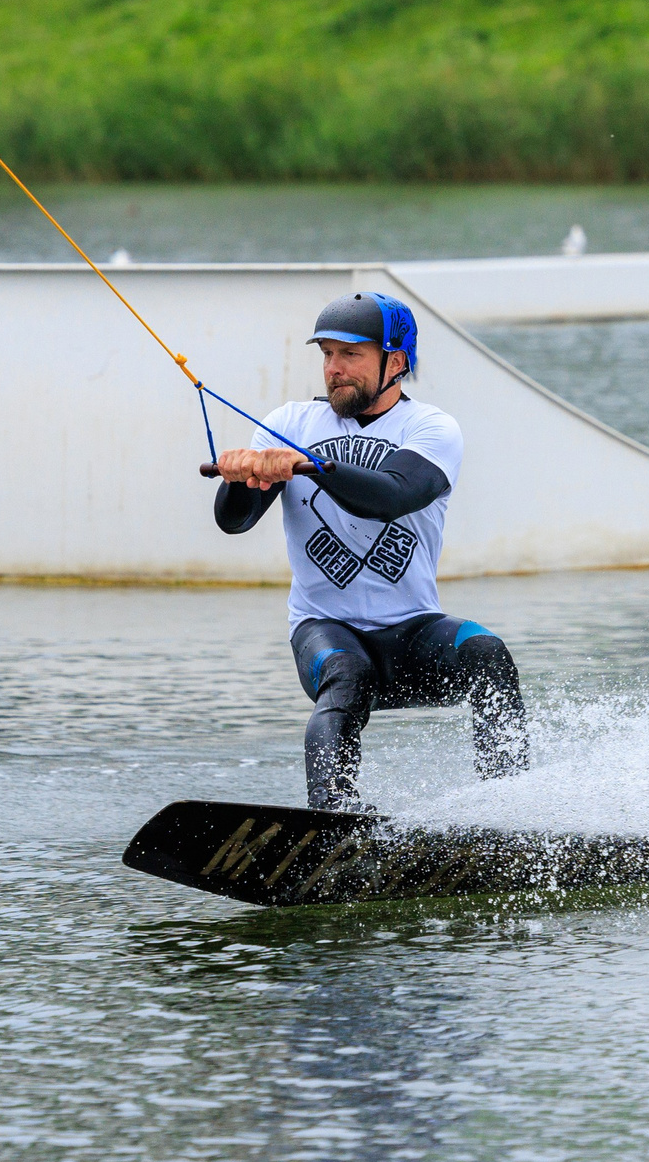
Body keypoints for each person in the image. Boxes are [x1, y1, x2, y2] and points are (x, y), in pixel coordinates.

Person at [212, 293, 529, 812]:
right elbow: (233, 522)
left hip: (412, 634)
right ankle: (334, 817)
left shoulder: (432, 429)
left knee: (486, 654)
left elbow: (392, 496)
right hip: (324, 629)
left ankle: (513, 806)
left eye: (351, 355)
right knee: (347, 678)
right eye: (327, 354)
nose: (334, 369)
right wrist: (244, 478)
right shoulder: (288, 424)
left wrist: (309, 466)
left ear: (396, 362)